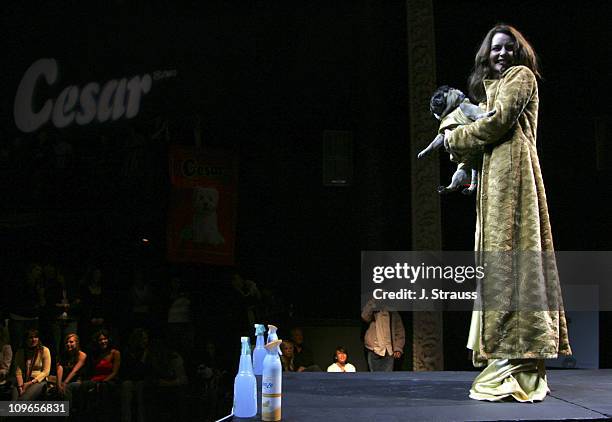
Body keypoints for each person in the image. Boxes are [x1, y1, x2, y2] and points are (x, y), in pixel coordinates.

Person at [437, 23, 572, 401]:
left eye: (508, 48)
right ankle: (507, 356)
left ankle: (520, 358)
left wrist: (454, 136)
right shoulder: (490, 89)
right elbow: (486, 129)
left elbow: (498, 123)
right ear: (486, 54)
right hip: (495, 179)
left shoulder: (522, 76)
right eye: (496, 49)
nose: (502, 54)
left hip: (515, 177)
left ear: (518, 52)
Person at [361, 299, 405, 372]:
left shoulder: (393, 312)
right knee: (374, 377)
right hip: (374, 349)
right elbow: (364, 316)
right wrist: (373, 301)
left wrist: (398, 348)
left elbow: (399, 331)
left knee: (387, 377)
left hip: (389, 351)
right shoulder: (372, 310)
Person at [11, 329, 51, 401]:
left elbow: (46, 372)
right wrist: (20, 386)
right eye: (30, 337)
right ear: (26, 339)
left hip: (37, 380)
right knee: (14, 401)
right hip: (22, 380)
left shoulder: (44, 350)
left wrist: (30, 383)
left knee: (23, 400)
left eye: (35, 337)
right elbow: (18, 370)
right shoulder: (20, 351)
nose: (33, 340)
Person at [56, 333, 87, 409]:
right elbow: (60, 368)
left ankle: (67, 414)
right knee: (55, 390)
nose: (68, 344)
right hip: (65, 381)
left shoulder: (82, 355)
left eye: (71, 342)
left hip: (78, 381)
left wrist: (65, 383)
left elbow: (75, 371)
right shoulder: (63, 354)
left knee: (68, 388)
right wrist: (59, 384)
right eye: (66, 342)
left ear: (77, 343)